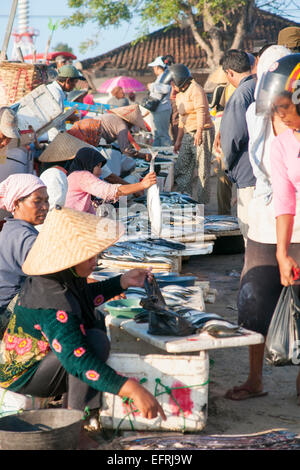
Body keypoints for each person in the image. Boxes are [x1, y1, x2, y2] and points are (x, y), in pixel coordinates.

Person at [0, 205, 166, 424]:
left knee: (94, 327)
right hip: (23, 375)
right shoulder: (52, 298)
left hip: (43, 361)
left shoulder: (62, 275)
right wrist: (131, 389)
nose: (95, 262)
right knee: (92, 345)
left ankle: (79, 410)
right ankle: (73, 421)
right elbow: (77, 361)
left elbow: (84, 297)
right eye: (89, 257)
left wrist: (122, 281)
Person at [224, 46, 296, 402]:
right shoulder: (257, 112)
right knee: (253, 301)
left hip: (284, 223)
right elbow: (277, 184)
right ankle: (255, 378)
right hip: (269, 221)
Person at [0, 174, 49, 337]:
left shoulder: (12, 227)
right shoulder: (23, 236)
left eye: (46, 200)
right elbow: (54, 275)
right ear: (16, 203)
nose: (45, 207)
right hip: (6, 315)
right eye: (37, 201)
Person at [219, 49, 256, 240]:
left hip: (248, 172)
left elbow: (232, 137)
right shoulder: (262, 85)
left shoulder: (240, 94)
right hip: (264, 171)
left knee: (251, 231)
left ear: (230, 73)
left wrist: (227, 164)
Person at [168, 64, 215, 204]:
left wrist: (199, 132)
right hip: (188, 133)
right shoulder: (180, 94)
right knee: (182, 167)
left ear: (178, 79)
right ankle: (185, 200)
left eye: (172, 82)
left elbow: (201, 111)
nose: (171, 85)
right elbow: (182, 119)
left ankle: (202, 205)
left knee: (202, 170)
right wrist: (178, 140)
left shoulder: (196, 89)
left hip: (203, 131)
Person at [65, 147, 156, 214]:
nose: (100, 171)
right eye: (98, 166)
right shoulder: (82, 176)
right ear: (88, 164)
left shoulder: (75, 175)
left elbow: (90, 211)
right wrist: (142, 185)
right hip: (72, 221)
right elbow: (112, 191)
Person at [67, 104, 152, 162]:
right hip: (89, 133)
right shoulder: (122, 126)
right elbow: (125, 150)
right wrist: (143, 156)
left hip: (82, 127)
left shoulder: (113, 117)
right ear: (130, 122)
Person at [47, 65, 86, 141]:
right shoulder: (56, 93)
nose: (74, 86)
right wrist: (68, 117)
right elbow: (54, 120)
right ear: (67, 80)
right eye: (74, 83)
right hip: (53, 138)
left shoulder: (56, 90)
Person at [147, 56, 172, 146]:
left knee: (163, 135)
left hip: (162, 109)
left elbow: (166, 89)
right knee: (157, 135)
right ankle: (157, 155)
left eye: (154, 67)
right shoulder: (161, 77)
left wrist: (152, 86)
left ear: (157, 67)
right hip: (157, 109)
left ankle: (167, 155)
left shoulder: (165, 76)